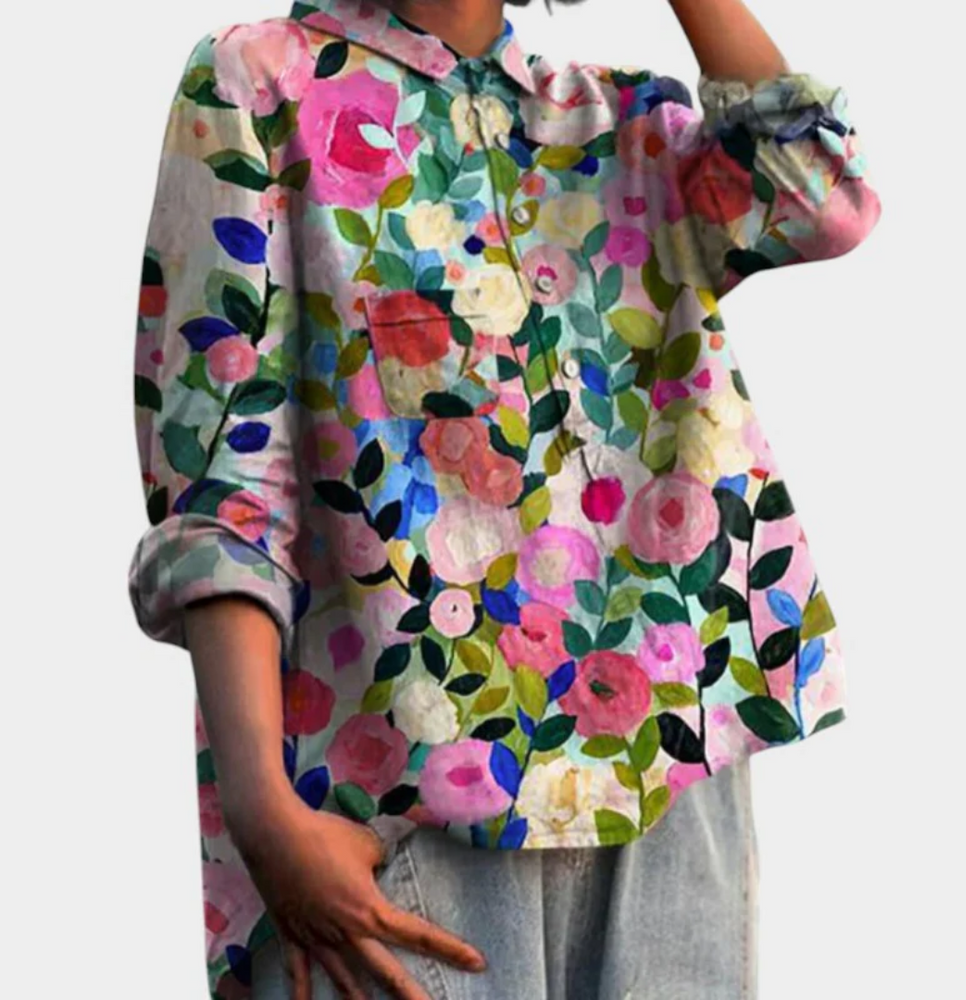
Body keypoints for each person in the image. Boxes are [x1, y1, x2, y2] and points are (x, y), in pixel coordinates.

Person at [128, 0, 881, 996]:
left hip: (671, 776)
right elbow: (226, 470)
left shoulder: (623, 126)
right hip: (388, 794)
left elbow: (818, 199)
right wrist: (262, 811)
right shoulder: (261, 83)